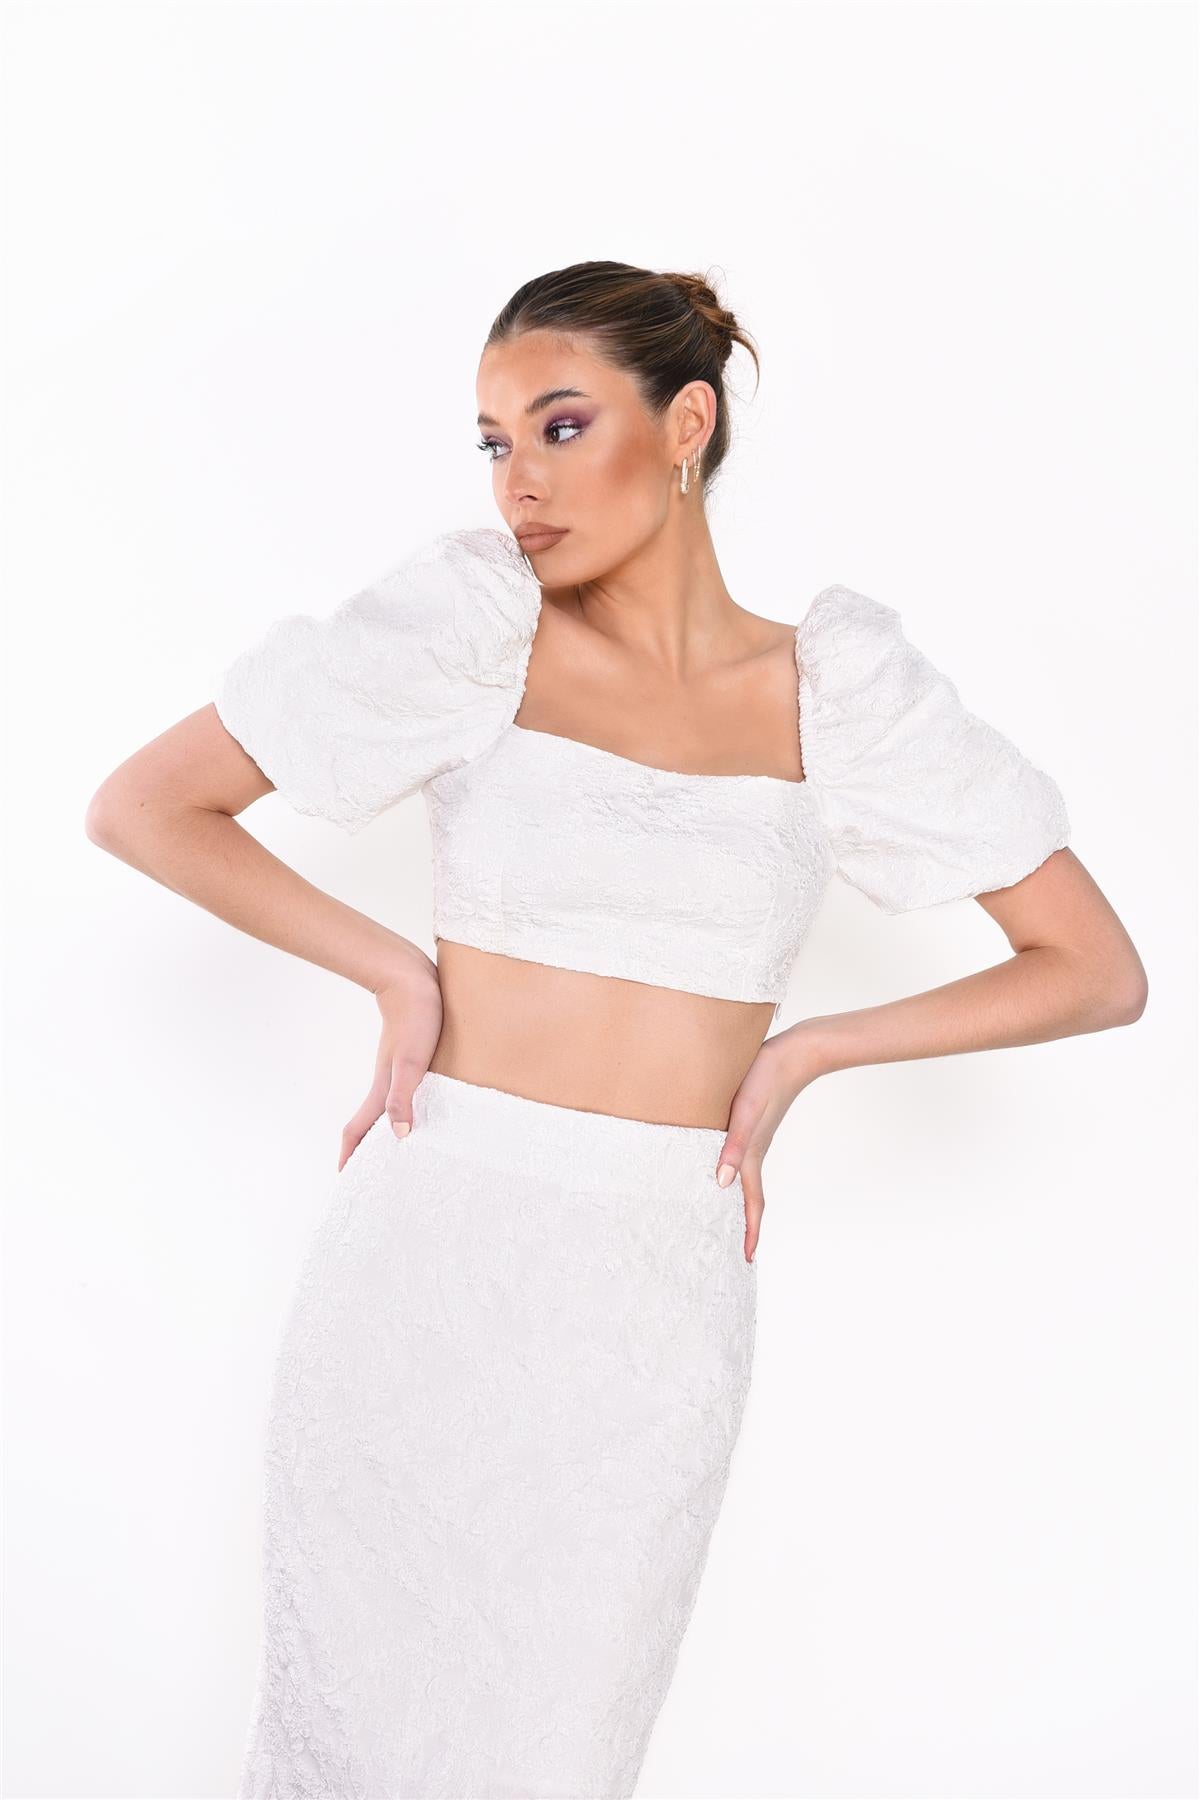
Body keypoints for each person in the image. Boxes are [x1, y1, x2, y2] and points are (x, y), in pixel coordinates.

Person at [85, 259, 1148, 1800]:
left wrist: (807, 1051)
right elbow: (144, 807)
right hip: (424, 1264)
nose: (518, 480)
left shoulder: (836, 690)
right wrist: (391, 969)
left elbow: (1093, 969)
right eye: (493, 440)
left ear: (687, 424)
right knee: (349, 1744)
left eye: (561, 425)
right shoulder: (476, 628)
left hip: (651, 1302)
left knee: (559, 1750)